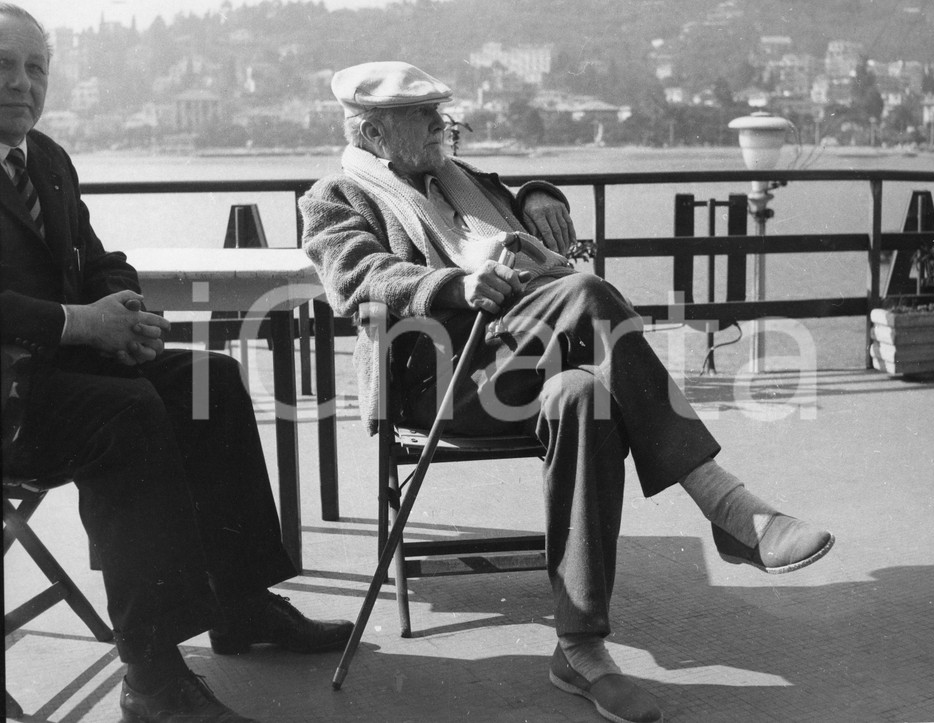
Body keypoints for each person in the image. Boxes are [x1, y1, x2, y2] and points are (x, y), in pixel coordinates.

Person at [300, 61, 835, 723]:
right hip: (443, 380)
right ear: (375, 133)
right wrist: (450, 287)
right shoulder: (336, 197)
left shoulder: (457, 178)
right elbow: (355, 275)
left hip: (525, 358)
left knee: (583, 395)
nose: (441, 122)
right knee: (584, 293)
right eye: (421, 114)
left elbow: (509, 212)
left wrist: (539, 194)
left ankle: (580, 650)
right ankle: (725, 505)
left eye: (439, 109)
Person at [0, 6, 353, 722]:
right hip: (11, 406)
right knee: (126, 414)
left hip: (57, 380)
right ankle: (151, 675)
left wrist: (123, 312)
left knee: (207, 381)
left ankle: (240, 602)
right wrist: (82, 324)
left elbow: (99, 259)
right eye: (3, 66)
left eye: (35, 68)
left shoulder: (47, 160)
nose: (21, 83)